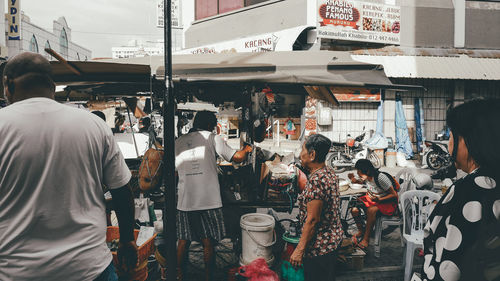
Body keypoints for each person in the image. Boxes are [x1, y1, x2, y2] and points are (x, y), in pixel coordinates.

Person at [0, 52, 137, 281]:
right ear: (52, 86)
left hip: (17, 270)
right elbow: (122, 191)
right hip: (89, 268)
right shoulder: (93, 124)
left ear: (7, 84)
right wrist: (126, 240)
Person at [419, 99, 500, 281]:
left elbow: (450, 267)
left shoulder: (471, 189)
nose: (449, 143)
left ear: (468, 140)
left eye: (452, 136)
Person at [175, 111, 252, 281]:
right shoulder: (212, 138)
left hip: (185, 199)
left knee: (183, 240)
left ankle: (178, 275)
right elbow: (237, 158)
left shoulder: (178, 141)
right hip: (208, 199)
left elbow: (174, 171)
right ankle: (209, 277)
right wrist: (247, 149)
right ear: (210, 125)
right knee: (207, 242)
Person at [290, 134, 343, 281]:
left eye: (302, 150)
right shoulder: (328, 172)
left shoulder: (317, 180)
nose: (300, 154)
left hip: (320, 247)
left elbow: (312, 220)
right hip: (332, 240)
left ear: (312, 154)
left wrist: (299, 250)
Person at [348, 159, 399, 250]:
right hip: (374, 199)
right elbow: (362, 182)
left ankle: (366, 239)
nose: (358, 174)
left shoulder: (380, 177)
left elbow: (394, 195)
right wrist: (353, 179)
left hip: (387, 202)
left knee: (371, 210)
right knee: (354, 208)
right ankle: (361, 231)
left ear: (367, 171)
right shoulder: (367, 177)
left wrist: (379, 199)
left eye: (359, 173)